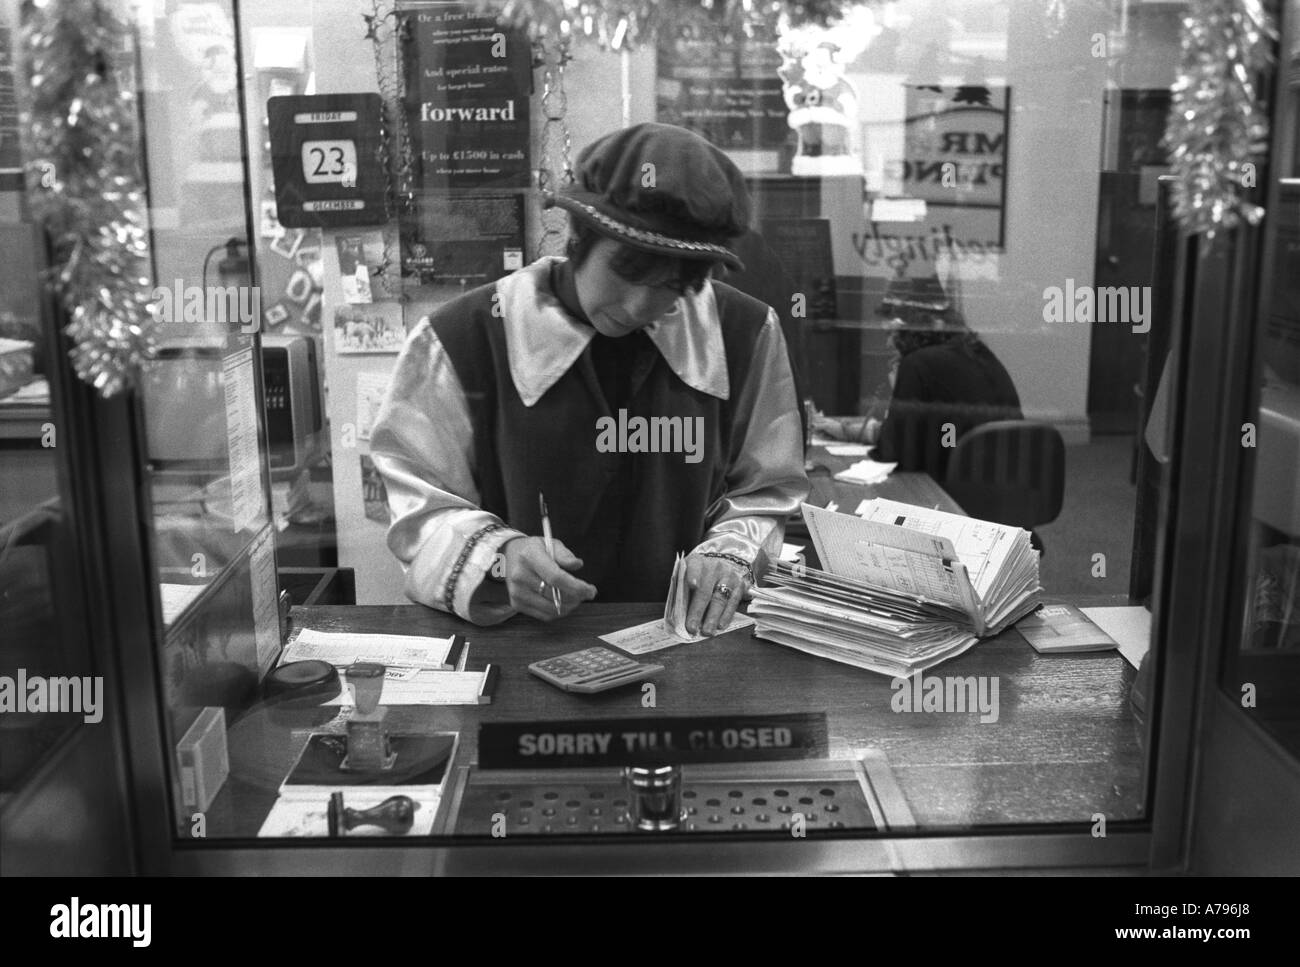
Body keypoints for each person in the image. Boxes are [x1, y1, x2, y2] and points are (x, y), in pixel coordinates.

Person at [370, 123, 808, 635]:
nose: (640, 306)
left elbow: (767, 489)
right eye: (628, 274)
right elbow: (418, 503)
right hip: (516, 646)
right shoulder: (464, 337)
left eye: (673, 287)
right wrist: (499, 556)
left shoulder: (744, 333)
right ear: (581, 238)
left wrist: (732, 556)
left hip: (688, 643)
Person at [812, 280, 1021, 480]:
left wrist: (898, 387)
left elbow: (892, 452)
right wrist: (843, 430)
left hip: (955, 490)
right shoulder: (976, 352)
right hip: (1007, 480)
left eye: (892, 333)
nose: (887, 343)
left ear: (909, 331)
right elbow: (911, 434)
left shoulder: (918, 364)